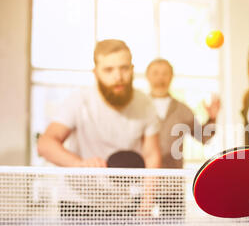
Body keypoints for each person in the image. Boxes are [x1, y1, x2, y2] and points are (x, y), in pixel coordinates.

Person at [37, 39, 162, 168]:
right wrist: (79, 164)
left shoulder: (146, 104)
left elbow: (151, 154)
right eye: (109, 70)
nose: (118, 76)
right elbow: (45, 144)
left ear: (132, 69)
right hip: (81, 187)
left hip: (125, 188)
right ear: (96, 73)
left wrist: (148, 189)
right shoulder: (79, 101)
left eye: (124, 68)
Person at [145, 58, 220, 168]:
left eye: (165, 73)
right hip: (144, 176)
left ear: (171, 77)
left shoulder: (183, 110)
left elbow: (203, 137)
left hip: (173, 178)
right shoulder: (139, 108)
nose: (160, 78)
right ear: (147, 76)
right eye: (155, 73)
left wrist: (212, 118)